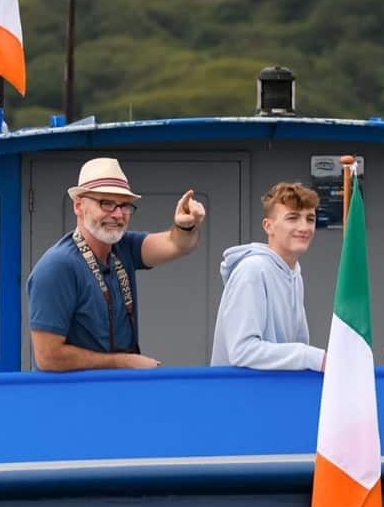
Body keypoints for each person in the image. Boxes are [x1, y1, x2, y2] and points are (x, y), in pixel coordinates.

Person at [27, 157, 207, 371]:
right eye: (106, 203)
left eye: (124, 205)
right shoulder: (57, 266)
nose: (118, 214)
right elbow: (48, 357)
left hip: (117, 392)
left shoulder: (123, 247)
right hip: (73, 400)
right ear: (78, 206)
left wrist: (185, 226)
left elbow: (177, 245)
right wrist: (123, 363)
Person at [210, 182, 325, 371]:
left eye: (310, 219)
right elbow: (242, 351)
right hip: (240, 397)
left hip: (272, 394)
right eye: (293, 218)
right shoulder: (252, 270)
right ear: (268, 226)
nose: (304, 227)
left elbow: (296, 344)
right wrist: (312, 357)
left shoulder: (295, 273)